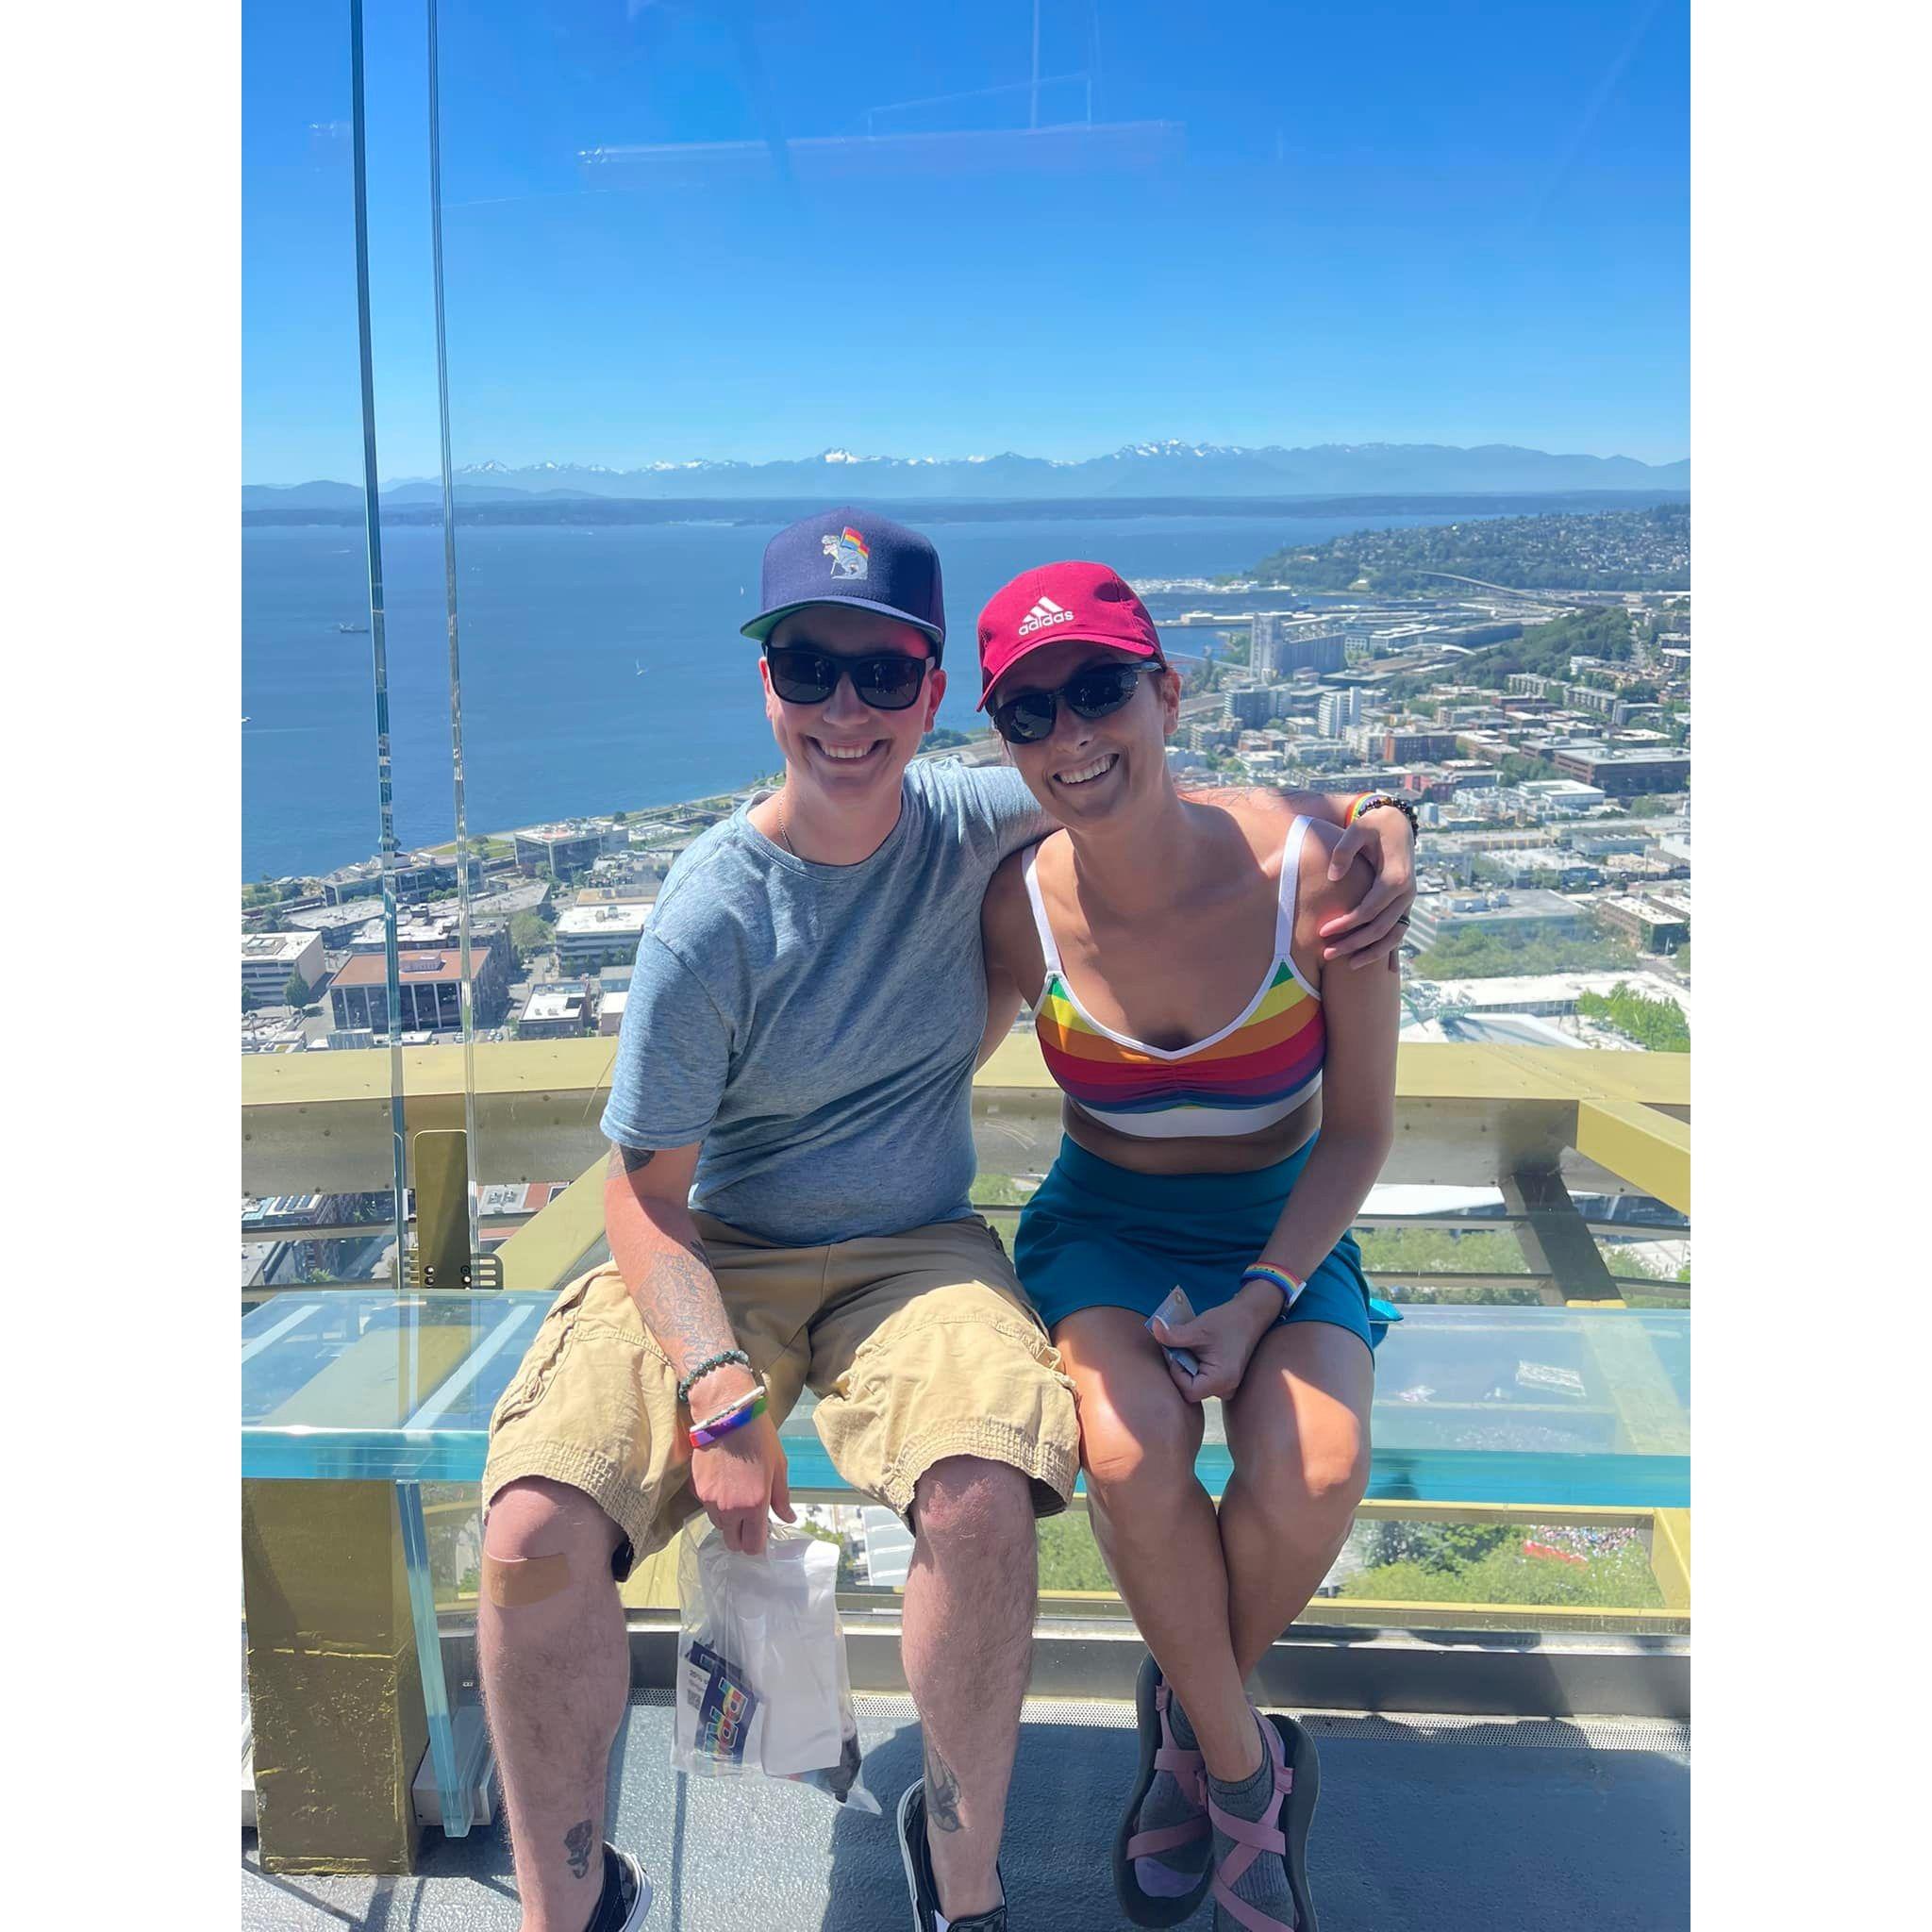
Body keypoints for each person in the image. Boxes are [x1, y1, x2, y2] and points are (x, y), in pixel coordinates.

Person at [475, 508, 1417, 1932]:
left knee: (985, 1494)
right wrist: (720, 1393)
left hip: (918, 1252)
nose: (845, 710)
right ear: (769, 688)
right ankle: (567, 1903)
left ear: (928, 698)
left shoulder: (988, 815)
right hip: (716, 1248)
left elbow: (1170, 789)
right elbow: (641, 1195)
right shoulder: (707, 919)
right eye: (808, 670)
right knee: (533, 1524)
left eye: (883, 675)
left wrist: (1387, 820)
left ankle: (964, 1882)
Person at [975, 561, 1406, 1932]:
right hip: (1102, 1222)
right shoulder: (1015, 909)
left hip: (1284, 1223)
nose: (1072, 736)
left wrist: (1266, 1290)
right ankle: (1242, 1777)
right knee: (1128, 1447)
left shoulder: (1318, 876)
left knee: (1316, 1467)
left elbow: (1359, 1133)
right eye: (1030, 712)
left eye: (1101, 689)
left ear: (1169, 691)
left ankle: (1185, 1704)